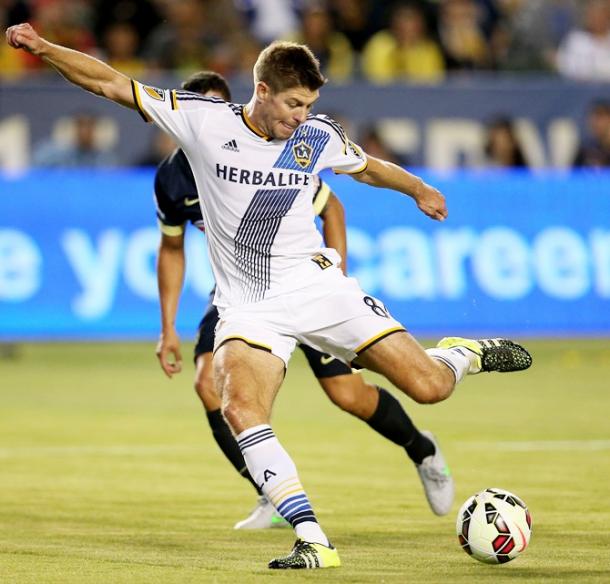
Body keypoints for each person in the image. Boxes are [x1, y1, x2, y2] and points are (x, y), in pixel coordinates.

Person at [5, 24, 532, 570]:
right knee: (237, 404)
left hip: (318, 287)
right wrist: (43, 48)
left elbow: (368, 169)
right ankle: (312, 539)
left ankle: (460, 354)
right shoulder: (203, 121)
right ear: (261, 91)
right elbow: (110, 83)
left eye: (308, 105)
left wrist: (418, 188)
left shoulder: (314, 137)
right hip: (250, 308)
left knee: (429, 387)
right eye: (293, 104)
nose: (301, 116)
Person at [154, 70, 454, 530]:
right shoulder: (173, 179)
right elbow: (171, 248)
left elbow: (331, 205)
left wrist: (336, 278)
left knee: (347, 394)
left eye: (219, 105)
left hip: (302, 284)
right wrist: (167, 326)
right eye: (201, 108)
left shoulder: (269, 153)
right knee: (208, 385)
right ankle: (270, 494)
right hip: (240, 297)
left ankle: (422, 449)